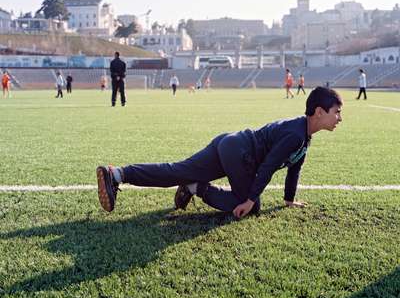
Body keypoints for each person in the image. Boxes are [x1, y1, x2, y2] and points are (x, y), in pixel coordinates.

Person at [96, 86, 343, 219]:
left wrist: (289, 200)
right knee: (250, 206)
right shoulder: (296, 135)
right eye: (336, 112)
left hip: (231, 143)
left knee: (177, 171)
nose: (339, 118)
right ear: (319, 112)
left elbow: (294, 169)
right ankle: (194, 187)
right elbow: (268, 166)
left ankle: (117, 174)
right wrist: (249, 199)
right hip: (239, 153)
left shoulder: (303, 136)